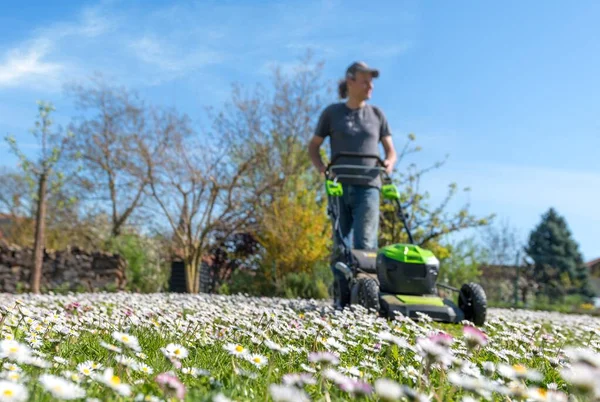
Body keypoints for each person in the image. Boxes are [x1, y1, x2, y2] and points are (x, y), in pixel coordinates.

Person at [308, 61, 397, 305]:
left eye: (372, 81)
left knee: (366, 244)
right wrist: (322, 169)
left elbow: (391, 151)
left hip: (369, 185)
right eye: (365, 80)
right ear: (350, 81)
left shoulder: (377, 115)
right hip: (339, 185)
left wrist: (388, 162)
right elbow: (313, 147)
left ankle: (366, 298)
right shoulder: (332, 113)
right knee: (341, 244)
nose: (370, 85)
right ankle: (342, 297)